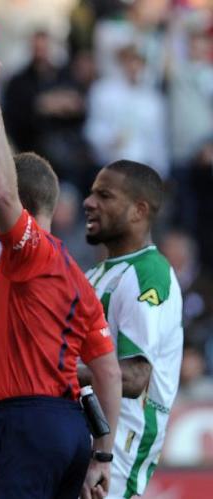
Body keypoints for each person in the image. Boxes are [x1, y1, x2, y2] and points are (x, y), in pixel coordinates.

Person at [0, 51, 122, 499]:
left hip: (29, 426)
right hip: (68, 429)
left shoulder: (30, 251)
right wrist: (102, 454)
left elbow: (1, 190)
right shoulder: (76, 275)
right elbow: (109, 373)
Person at [81, 160, 184, 498]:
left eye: (105, 195)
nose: (89, 202)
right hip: (86, 440)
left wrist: (51, 370)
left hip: (119, 448)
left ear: (139, 211)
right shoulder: (96, 274)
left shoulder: (147, 274)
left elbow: (135, 376)